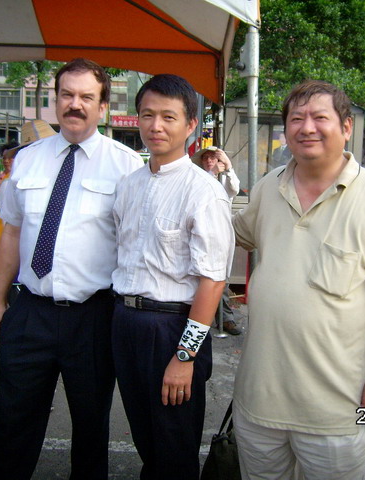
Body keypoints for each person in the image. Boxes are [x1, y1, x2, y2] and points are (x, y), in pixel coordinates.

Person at [231, 80, 365, 480]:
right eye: (296, 119)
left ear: (346, 127)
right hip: (260, 401)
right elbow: (230, 235)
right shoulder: (268, 186)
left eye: (320, 117)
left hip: (337, 409)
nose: (307, 128)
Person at [0, 58, 143, 479]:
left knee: (91, 429)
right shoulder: (26, 161)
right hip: (30, 313)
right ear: (55, 101)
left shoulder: (127, 166)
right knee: (13, 423)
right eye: (67, 95)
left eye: (87, 97)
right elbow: (11, 234)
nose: (76, 104)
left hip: (93, 318)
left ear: (103, 107)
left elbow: (135, 246)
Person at [111, 74, 234, 479]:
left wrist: (185, 356)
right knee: (146, 438)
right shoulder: (128, 185)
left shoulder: (204, 191)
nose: (156, 126)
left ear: (191, 125)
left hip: (172, 329)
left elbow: (213, 281)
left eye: (168, 117)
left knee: (174, 446)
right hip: (125, 322)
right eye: (148, 115)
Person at [191, 146, 242, 335]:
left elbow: (234, 189)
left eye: (213, 158)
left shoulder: (225, 180)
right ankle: (199, 321)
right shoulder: (197, 179)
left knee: (219, 279)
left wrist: (229, 168)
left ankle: (224, 319)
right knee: (200, 278)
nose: (209, 161)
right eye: (206, 158)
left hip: (219, 236)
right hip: (199, 233)